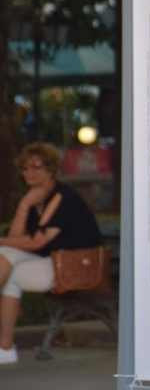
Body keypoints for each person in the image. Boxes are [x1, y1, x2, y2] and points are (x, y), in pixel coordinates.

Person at [0, 142, 104, 365]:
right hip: (51, 262)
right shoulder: (33, 199)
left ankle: (5, 348)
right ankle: (5, 349)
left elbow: (37, 242)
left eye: (36, 166)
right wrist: (24, 205)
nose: (30, 172)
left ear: (50, 168)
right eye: (25, 168)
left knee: (7, 265)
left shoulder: (64, 196)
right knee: (6, 258)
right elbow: (17, 238)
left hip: (78, 266)